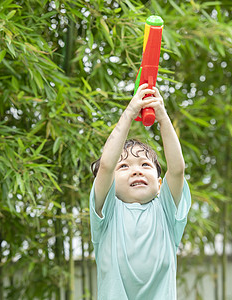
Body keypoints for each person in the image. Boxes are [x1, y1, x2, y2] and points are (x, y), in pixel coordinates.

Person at [89, 83, 191, 299]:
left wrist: (162, 117)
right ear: (109, 184)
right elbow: (106, 165)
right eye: (124, 166)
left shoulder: (165, 212)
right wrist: (129, 114)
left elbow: (178, 169)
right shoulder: (106, 215)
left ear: (160, 184)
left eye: (145, 165)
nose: (136, 171)